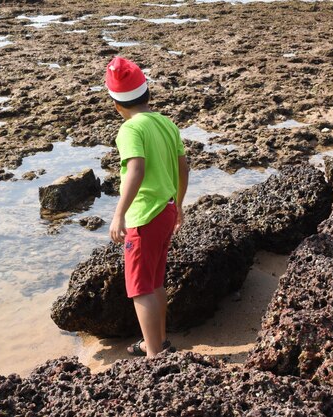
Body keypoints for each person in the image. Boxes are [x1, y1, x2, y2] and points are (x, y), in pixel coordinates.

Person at [105, 56, 189, 358]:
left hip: (143, 217)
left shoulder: (130, 130)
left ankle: (154, 354)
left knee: (140, 288)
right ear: (147, 92)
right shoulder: (166, 124)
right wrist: (178, 204)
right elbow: (183, 167)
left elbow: (136, 170)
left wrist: (118, 214)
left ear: (117, 105)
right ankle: (158, 341)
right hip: (166, 209)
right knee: (155, 283)